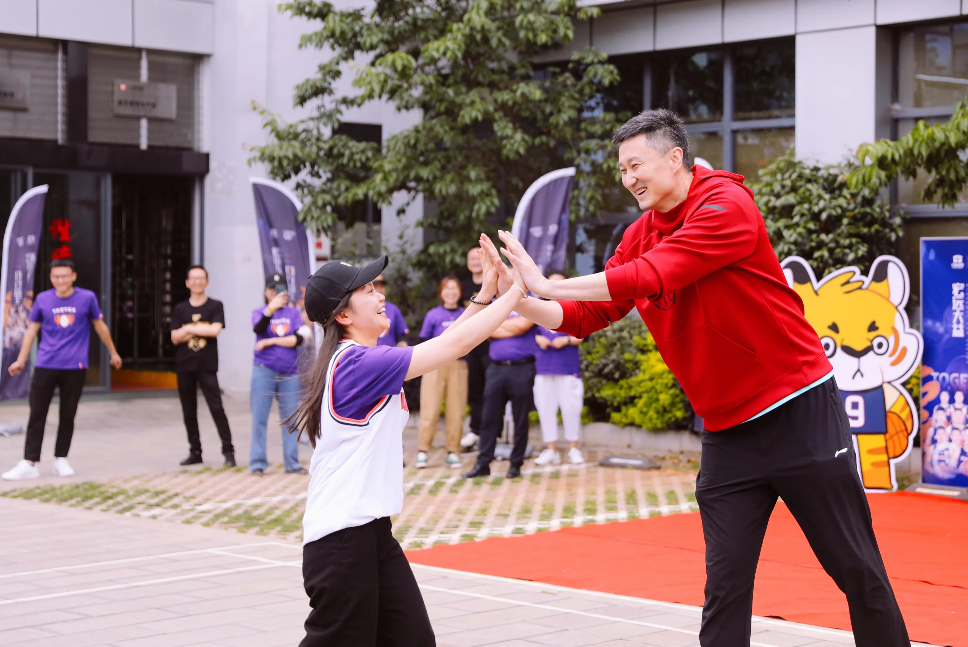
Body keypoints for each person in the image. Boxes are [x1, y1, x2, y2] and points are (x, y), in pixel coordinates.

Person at [485, 109, 910, 646]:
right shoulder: (639, 234)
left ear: (675, 158)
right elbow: (586, 318)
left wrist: (548, 283)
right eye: (621, 169)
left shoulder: (726, 205)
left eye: (635, 164)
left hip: (798, 410)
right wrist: (521, 297)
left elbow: (654, 274)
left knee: (856, 569)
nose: (628, 178)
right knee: (725, 586)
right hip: (729, 432)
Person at [292, 242, 526, 646]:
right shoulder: (355, 365)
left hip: (372, 533)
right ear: (343, 315)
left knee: (413, 639)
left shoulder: (366, 359)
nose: (380, 295)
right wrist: (518, 290)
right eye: (367, 291)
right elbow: (453, 347)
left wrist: (485, 294)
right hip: (341, 541)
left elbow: (445, 343)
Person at [2, 259, 123, 481]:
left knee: (68, 415)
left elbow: (100, 326)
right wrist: (21, 360)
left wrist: (113, 353)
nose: (61, 280)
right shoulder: (43, 299)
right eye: (56, 277)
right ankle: (30, 462)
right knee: (37, 413)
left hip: (75, 366)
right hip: (45, 364)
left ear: (73, 276)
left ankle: (61, 459)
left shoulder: (87, 298)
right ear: (51, 278)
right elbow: (31, 332)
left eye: (65, 276)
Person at [170, 265, 235, 467]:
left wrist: (188, 328)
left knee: (216, 408)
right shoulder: (180, 309)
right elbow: (174, 337)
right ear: (187, 283)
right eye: (194, 278)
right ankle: (195, 451)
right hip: (184, 366)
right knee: (189, 411)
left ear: (206, 282)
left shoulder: (215, 306)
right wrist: (202, 328)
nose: (198, 282)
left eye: (201, 278)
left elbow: (215, 331)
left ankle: (228, 452)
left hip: (207, 366)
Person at [461, 308, 537, 480]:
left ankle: (516, 463)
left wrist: (497, 327)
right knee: (488, 418)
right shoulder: (495, 305)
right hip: (496, 368)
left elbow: (522, 326)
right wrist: (505, 327)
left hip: (522, 367)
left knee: (520, 419)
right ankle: (483, 463)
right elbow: (485, 331)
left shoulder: (530, 302)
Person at [250, 273, 310, 476]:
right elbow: (258, 328)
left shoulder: (293, 313)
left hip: (290, 372)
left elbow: (296, 340)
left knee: (290, 419)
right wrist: (271, 309)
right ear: (266, 292)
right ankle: (257, 462)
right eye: (272, 290)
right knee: (260, 417)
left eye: (280, 290)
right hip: (264, 370)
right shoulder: (260, 312)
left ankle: (292, 463)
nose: (277, 294)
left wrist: (270, 341)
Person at [532, 272, 585, 467]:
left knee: (571, 409)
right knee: (545, 409)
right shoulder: (538, 308)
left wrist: (566, 340)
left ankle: (573, 449)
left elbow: (581, 336)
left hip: (567, 368)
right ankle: (551, 450)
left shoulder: (575, 308)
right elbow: (529, 334)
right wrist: (538, 339)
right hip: (544, 369)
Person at [415, 277, 467, 469]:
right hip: (434, 365)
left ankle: (453, 451)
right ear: (441, 292)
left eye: (455, 288)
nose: (451, 292)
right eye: (447, 289)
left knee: (457, 409)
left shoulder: (466, 313)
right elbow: (423, 341)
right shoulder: (433, 315)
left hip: (459, 365)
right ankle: (422, 450)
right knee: (430, 407)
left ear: (459, 292)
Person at [460, 246, 490, 450]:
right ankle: (475, 430)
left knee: (492, 391)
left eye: (479, 257)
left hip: (492, 345)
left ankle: (492, 432)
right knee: (475, 390)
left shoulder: (493, 282)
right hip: (472, 346)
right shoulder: (462, 286)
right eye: (472, 258)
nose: (475, 261)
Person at [373, 274, 408, 347]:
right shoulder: (364, 310)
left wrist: (402, 343)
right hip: (370, 354)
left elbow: (401, 334)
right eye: (376, 287)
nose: (379, 290)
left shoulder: (393, 309)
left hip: (390, 354)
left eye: (381, 286)